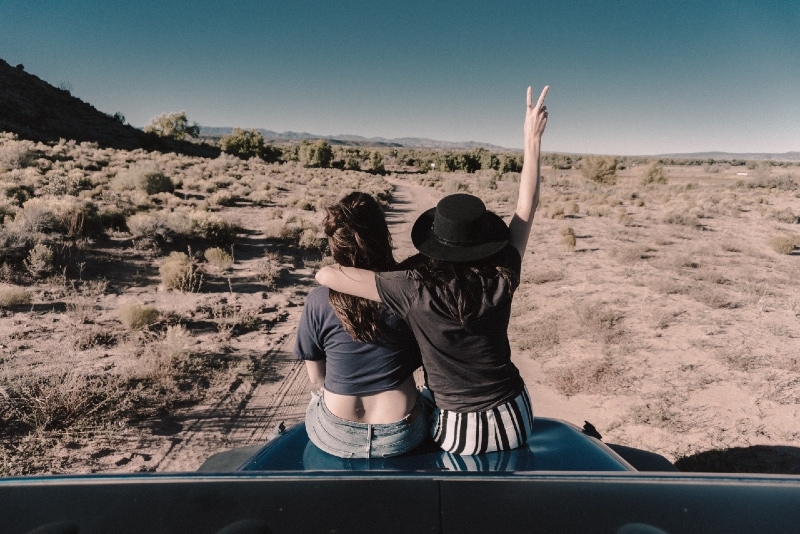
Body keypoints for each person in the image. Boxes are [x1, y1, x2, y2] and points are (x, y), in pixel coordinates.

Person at [315, 85, 549, 455]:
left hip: (459, 431)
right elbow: (527, 205)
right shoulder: (504, 270)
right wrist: (531, 138)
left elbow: (327, 275)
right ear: (485, 240)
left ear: (436, 241)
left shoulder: (413, 286)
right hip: (515, 416)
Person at [294, 191, 427, 458]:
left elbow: (316, 378)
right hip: (401, 433)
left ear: (336, 243)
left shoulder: (318, 300)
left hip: (336, 434)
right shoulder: (407, 293)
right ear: (383, 238)